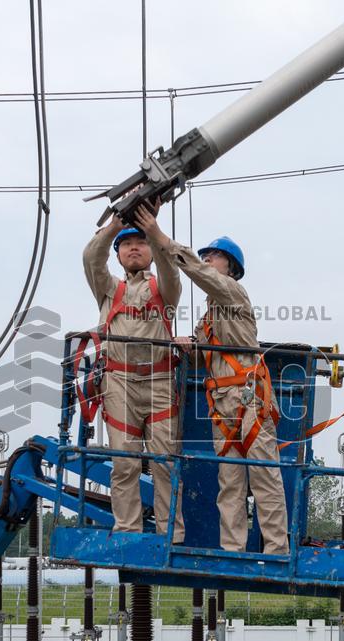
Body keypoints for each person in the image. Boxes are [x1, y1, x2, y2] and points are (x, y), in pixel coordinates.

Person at [133, 204, 289, 555]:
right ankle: (232, 549)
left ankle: (277, 550)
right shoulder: (209, 317)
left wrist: (160, 239)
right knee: (229, 482)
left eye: (213, 257)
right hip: (223, 404)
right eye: (204, 255)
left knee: (264, 477)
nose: (206, 261)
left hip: (249, 400)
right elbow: (208, 355)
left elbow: (200, 275)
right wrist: (188, 345)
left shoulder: (233, 295)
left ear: (230, 268)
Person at [82, 213, 186, 544]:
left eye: (140, 242)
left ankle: (171, 535)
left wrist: (156, 232)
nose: (134, 248)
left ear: (152, 249)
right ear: (117, 254)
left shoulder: (165, 289)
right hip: (120, 383)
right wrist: (114, 223)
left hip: (158, 382)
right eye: (125, 244)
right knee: (124, 464)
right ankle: (127, 531)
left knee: (165, 464)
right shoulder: (109, 288)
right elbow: (90, 257)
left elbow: (171, 266)